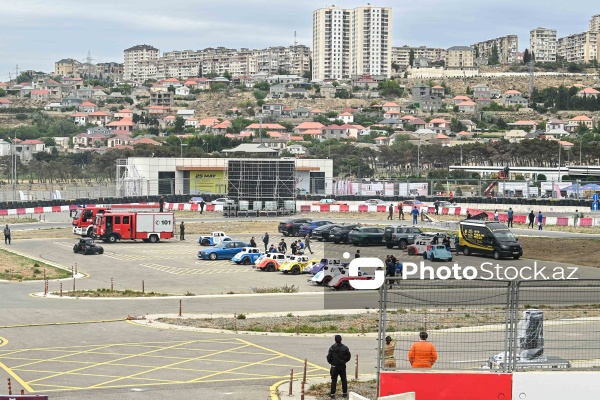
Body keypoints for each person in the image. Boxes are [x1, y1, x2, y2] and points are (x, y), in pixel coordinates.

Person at [327, 335, 351, 399]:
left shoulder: (332, 348)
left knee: (334, 380)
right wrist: (344, 361)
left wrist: (331, 362)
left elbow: (329, 357)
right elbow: (348, 356)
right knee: (343, 380)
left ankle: (332, 394)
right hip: (342, 366)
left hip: (334, 366)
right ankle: (344, 393)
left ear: (335, 340)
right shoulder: (345, 348)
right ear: (341, 339)